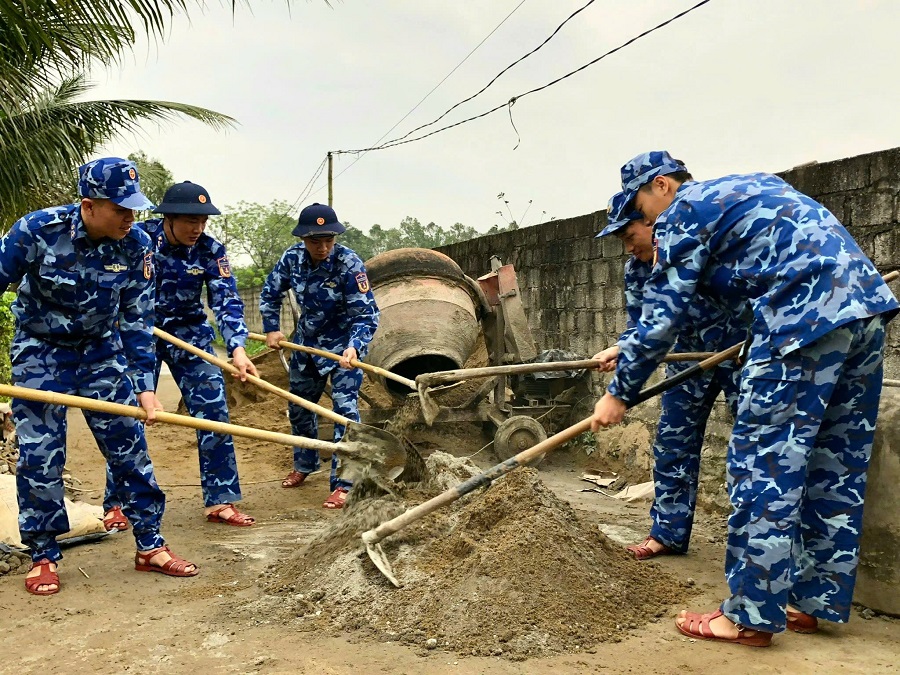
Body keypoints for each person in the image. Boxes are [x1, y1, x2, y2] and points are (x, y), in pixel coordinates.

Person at [591, 150, 899, 646]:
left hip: (797, 323)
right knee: (833, 465)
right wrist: (630, 348)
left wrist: (619, 393)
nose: (646, 221)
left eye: (642, 210)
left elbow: (663, 316)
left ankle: (748, 616)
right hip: (863, 313)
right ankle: (810, 601)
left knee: (765, 465)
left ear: (663, 186)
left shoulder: (682, 211)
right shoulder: (747, 187)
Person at [0, 157, 199, 596]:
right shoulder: (36, 230)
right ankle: (44, 555)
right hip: (40, 351)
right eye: (121, 209)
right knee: (40, 456)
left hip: (100, 351)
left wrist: (145, 389)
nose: (131, 217)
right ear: (89, 206)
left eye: (135, 208)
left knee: (129, 448)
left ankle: (150, 544)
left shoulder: (137, 245)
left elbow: (135, 319)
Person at [592, 186, 744, 561]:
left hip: (740, 350)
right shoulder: (637, 269)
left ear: (652, 220)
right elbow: (641, 324)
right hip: (685, 359)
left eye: (630, 236)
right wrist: (621, 347)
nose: (628, 248)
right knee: (673, 442)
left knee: (751, 446)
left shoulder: (692, 241)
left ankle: (752, 559)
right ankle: (668, 534)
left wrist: (620, 392)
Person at [101, 181, 258, 529]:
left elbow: (227, 301)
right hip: (139, 330)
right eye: (189, 220)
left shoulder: (211, 250)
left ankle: (221, 500)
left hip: (190, 332)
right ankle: (117, 503)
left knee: (214, 413)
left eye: (202, 220)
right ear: (168, 218)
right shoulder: (137, 240)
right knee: (128, 414)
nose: (196, 228)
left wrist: (237, 348)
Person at [259, 203, 379, 509]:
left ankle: (345, 483)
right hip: (307, 345)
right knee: (299, 406)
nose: (323, 247)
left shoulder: (349, 264)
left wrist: (353, 346)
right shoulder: (292, 259)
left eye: (328, 240)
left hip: (343, 349)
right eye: (315, 241)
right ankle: (305, 463)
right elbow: (270, 293)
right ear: (303, 239)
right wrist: (272, 329)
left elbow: (366, 316)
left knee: (343, 412)